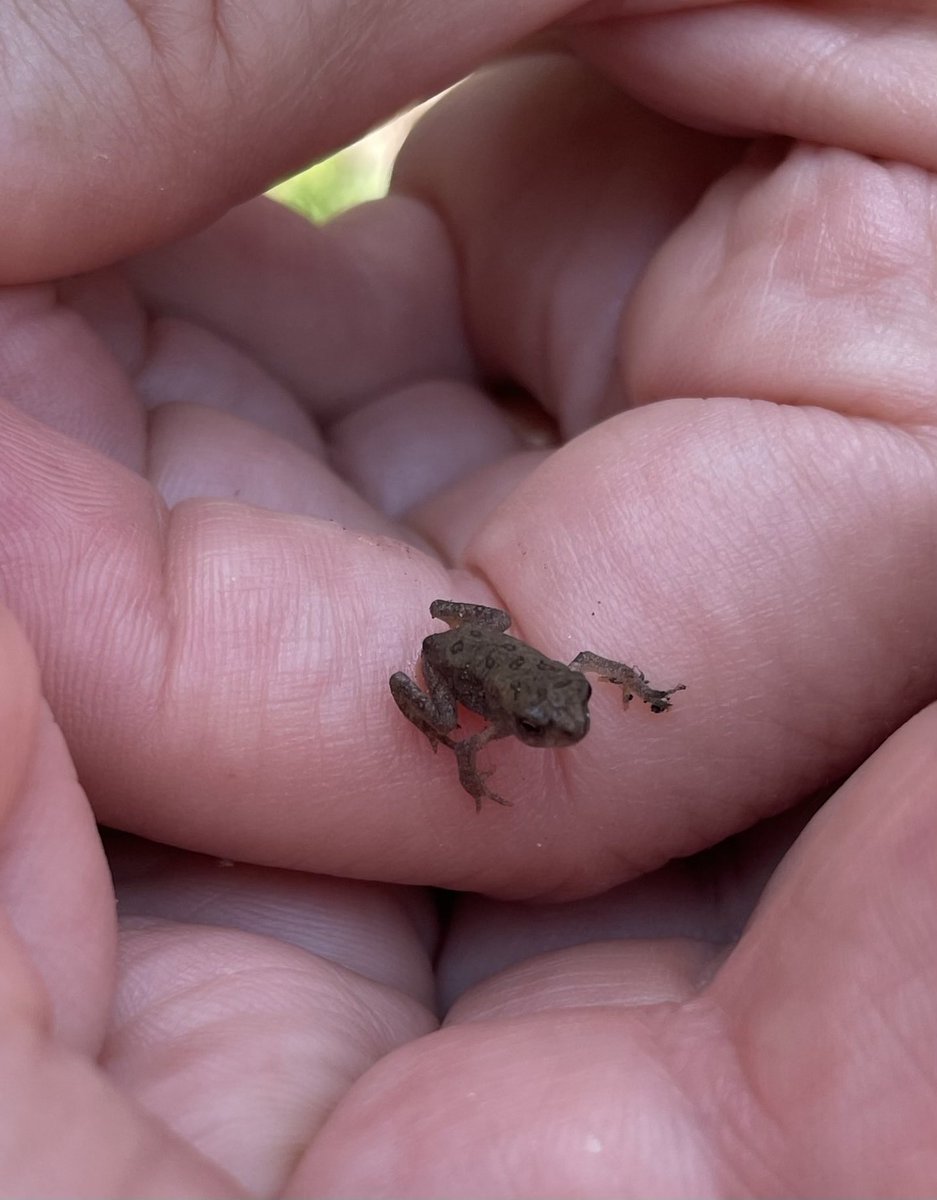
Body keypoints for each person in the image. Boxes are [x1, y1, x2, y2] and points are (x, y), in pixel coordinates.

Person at [1, 2, 935, 1194]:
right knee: (432, 708)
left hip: (490, 633)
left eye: (560, 719)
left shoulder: (562, 683)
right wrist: (471, 759)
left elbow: (587, 666)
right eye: (553, 723)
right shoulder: (488, 710)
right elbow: (507, 682)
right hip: (452, 661)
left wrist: (634, 687)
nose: (566, 726)